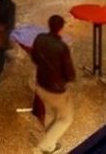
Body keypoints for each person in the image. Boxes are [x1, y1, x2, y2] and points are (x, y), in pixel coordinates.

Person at [30, 15, 76, 154]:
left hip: (40, 84)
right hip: (55, 90)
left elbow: (34, 57)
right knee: (65, 118)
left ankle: (51, 142)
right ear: (61, 28)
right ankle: (44, 147)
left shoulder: (39, 38)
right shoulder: (62, 47)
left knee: (54, 114)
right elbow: (69, 73)